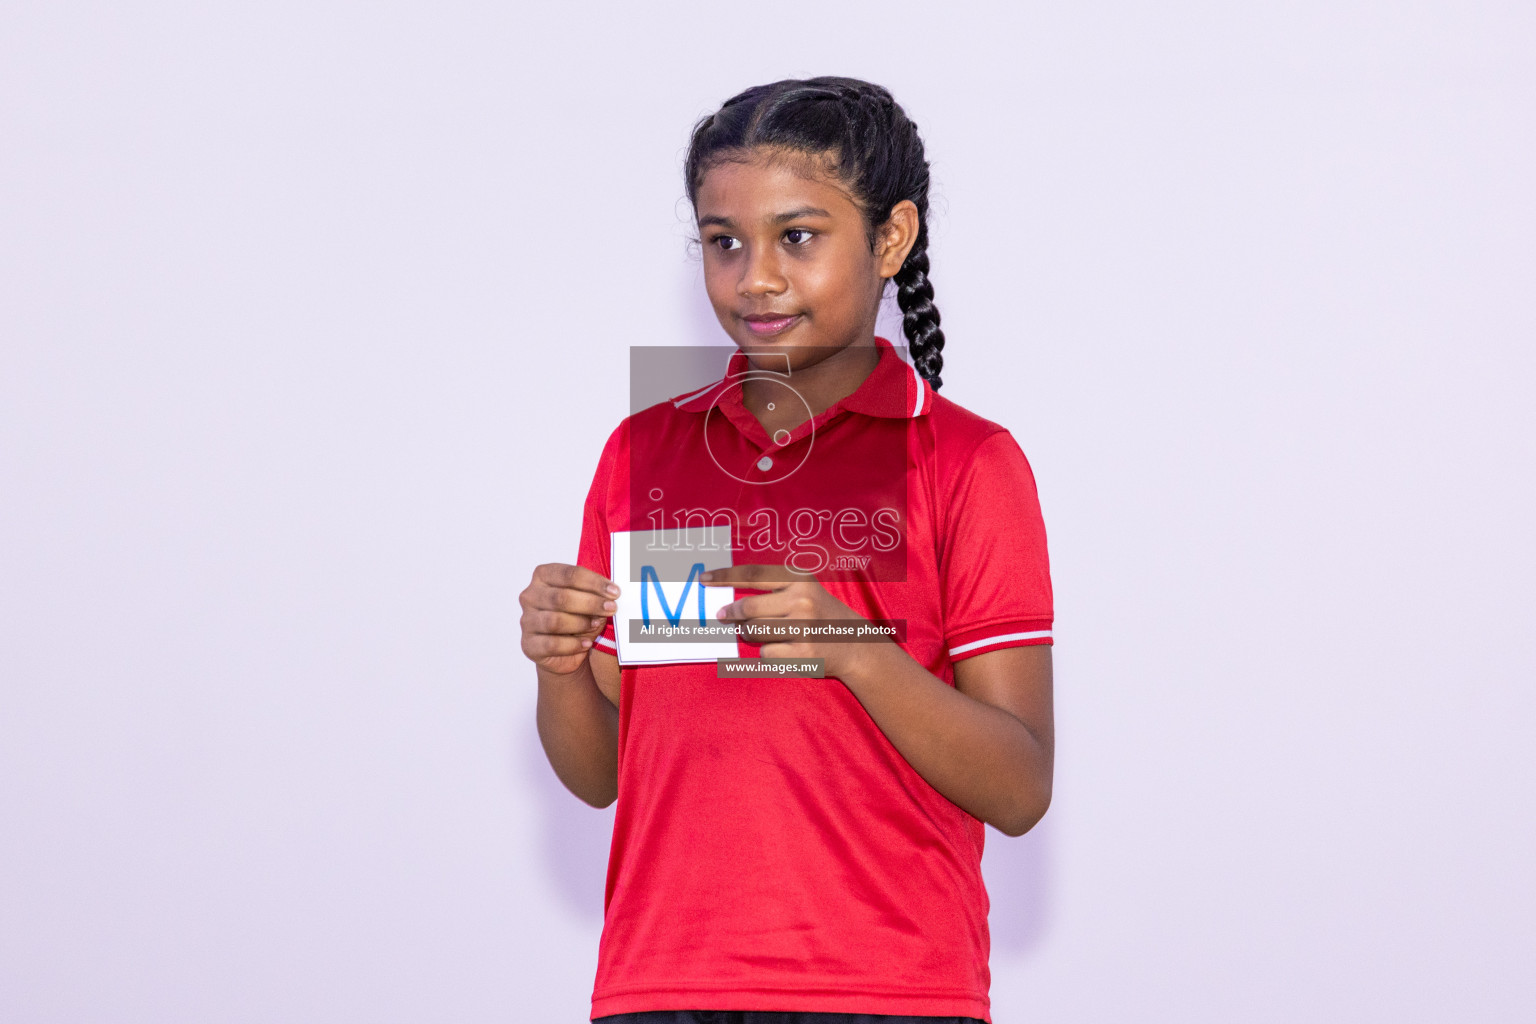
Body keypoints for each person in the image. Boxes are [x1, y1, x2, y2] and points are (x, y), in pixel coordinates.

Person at [519, 77, 1054, 1024]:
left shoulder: (965, 460)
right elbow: (604, 774)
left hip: (890, 990)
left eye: (796, 237)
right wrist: (561, 667)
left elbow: (1018, 786)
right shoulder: (648, 452)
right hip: (661, 983)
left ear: (891, 238)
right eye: (723, 242)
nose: (754, 276)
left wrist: (853, 648)